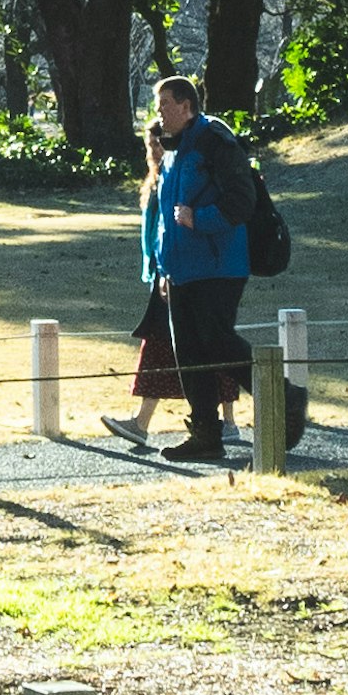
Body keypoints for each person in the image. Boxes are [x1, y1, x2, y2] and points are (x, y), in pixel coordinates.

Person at [108, 71, 259, 466]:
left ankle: (280, 399)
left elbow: (241, 202)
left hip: (214, 267)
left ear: (186, 106)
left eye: (164, 107)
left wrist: (201, 219)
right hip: (178, 273)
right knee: (191, 352)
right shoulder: (173, 153)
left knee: (214, 343)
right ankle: (207, 433)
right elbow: (162, 224)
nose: (158, 117)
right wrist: (162, 269)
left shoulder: (211, 140)